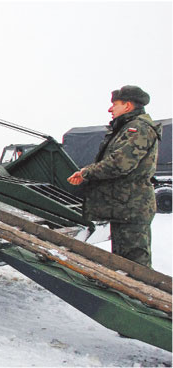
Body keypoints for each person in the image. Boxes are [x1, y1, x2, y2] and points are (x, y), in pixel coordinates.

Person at [68, 86, 160, 268]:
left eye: (115, 104)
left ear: (127, 106)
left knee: (134, 266)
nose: (111, 109)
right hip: (124, 208)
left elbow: (120, 164)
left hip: (131, 207)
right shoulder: (127, 127)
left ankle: (135, 296)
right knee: (123, 263)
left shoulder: (138, 128)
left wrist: (86, 172)